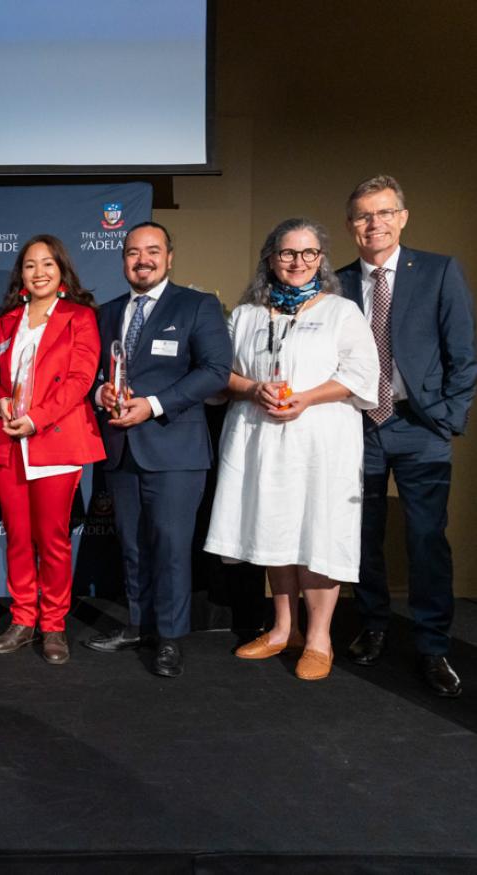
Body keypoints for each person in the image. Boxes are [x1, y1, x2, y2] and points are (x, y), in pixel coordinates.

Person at [204, 219, 379, 680]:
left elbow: (362, 376)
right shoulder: (245, 315)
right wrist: (252, 387)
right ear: (270, 258)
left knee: (317, 532)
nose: (297, 263)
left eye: (308, 254)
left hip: (322, 442)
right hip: (260, 439)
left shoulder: (342, 312)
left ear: (321, 259)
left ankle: (320, 637)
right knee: (274, 529)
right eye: (287, 253)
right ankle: (285, 628)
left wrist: (307, 397)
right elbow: (218, 373)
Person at [337, 175, 476, 697]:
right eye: (363, 215)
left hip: (421, 429)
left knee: (425, 541)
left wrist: (446, 417)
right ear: (351, 225)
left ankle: (434, 646)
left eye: (384, 213)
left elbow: (463, 354)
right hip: (358, 427)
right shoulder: (337, 282)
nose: (374, 224)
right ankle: (372, 626)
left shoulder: (439, 271)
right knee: (363, 536)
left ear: (403, 217)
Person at [87, 222, 231, 678]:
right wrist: (101, 395)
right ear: (123, 259)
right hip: (121, 447)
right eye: (133, 252)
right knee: (131, 546)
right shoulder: (107, 312)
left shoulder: (197, 305)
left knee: (169, 546)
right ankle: (138, 623)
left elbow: (215, 371)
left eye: (152, 251)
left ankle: (169, 637)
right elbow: (92, 374)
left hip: (175, 449)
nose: (142, 259)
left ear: (169, 257)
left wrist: (152, 405)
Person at [0, 235, 106, 664]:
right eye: (31, 265)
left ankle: (53, 625)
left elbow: (80, 380)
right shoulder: (5, 323)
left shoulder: (80, 318)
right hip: (8, 440)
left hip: (55, 439)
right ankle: (22, 618)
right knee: (17, 537)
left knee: (52, 539)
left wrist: (36, 419)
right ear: (22, 275)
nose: (39, 272)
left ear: (61, 272)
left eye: (48, 264)